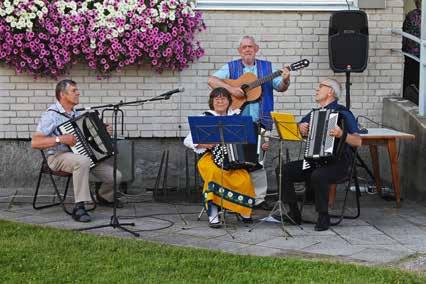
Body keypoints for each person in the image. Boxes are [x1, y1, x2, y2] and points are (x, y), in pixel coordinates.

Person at [207, 35, 291, 210]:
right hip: (236, 121)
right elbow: (211, 80)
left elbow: (281, 87)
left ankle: (259, 199)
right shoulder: (231, 67)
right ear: (239, 50)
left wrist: (285, 79)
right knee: (236, 158)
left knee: (258, 160)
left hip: (261, 121)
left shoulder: (267, 68)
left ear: (256, 49)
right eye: (244, 47)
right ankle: (236, 196)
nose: (247, 49)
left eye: (250, 46)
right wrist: (231, 89)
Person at [275, 79, 361, 231]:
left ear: (330, 92)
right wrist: (300, 128)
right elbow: (297, 132)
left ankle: (323, 216)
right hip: (314, 162)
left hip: (339, 163)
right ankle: (293, 213)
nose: (317, 89)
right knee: (284, 170)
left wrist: (342, 134)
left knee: (318, 175)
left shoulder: (343, 113)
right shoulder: (314, 113)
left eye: (321, 86)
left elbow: (357, 141)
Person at [31, 79, 122, 223]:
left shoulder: (76, 114)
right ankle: (79, 207)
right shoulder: (51, 115)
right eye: (74, 91)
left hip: (82, 156)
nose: (78, 93)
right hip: (57, 157)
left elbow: (88, 137)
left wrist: (104, 133)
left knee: (115, 176)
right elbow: (35, 142)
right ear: (62, 94)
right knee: (83, 161)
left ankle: (104, 196)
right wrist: (60, 139)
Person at [184, 88, 256, 228]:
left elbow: (250, 139)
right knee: (214, 173)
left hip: (233, 160)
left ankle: (242, 210)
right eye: (216, 98)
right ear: (212, 101)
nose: (219, 100)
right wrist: (204, 144)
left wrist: (260, 145)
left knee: (244, 177)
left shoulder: (236, 117)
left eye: (223, 98)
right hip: (209, 158)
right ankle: (213, 212)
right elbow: (187, 141)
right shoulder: (204, 118)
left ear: (229, 101)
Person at [402, 0, 422, 103]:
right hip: (414, 54)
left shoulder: (411, 15)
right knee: (414, 80)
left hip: (412, 54)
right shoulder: (413, 15)